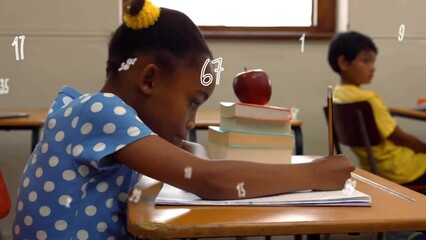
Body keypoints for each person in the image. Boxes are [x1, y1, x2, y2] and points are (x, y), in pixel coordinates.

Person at [11, 1, 354, 239]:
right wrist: (311, 174)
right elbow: (207, 180)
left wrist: (185, 147)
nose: (191, 120)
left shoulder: (86, 110)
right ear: (149, 79)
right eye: (192, 103)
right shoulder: (101, 111)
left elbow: (196, 160)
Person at [328, 31, 426, 187]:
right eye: (366, 61)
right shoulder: (368, 99)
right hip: (401, 170)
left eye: (373, 62)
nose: (372, 68)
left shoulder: (337, 97)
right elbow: (398, 137)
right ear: (343, 63)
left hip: (373, 169)